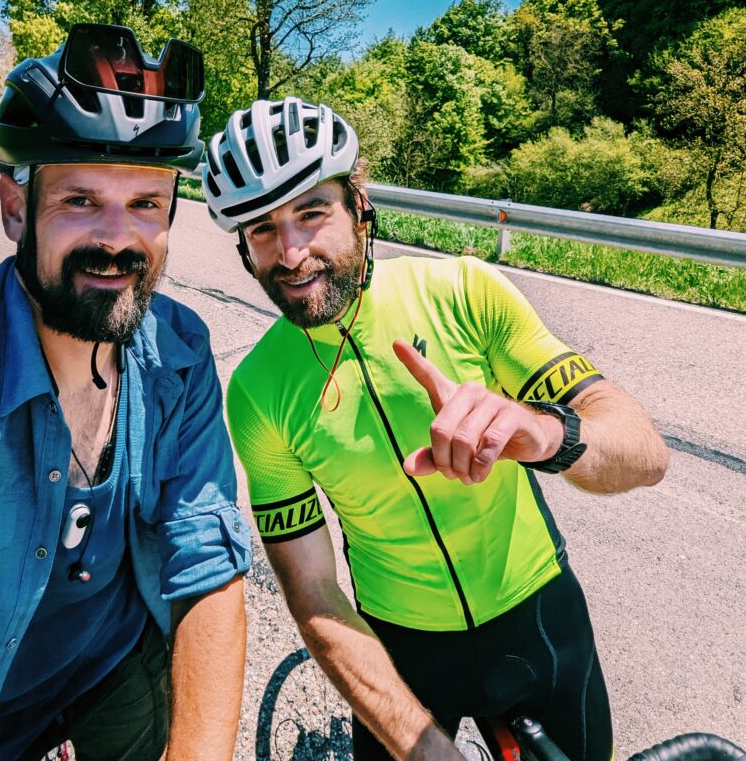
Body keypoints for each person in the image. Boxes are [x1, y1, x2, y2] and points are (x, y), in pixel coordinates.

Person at [203, 97, 670, 761]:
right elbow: (311, 589)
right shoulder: (257, 392)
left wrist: (543, 433)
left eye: (312, 213)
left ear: (359, 206)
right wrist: (419, 745)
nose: (292, 253)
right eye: (261, 230)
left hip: (538, 620)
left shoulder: (466, 292)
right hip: (399, 651)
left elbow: (644, 452)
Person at [0, 24, 251, 761]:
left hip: (112, 662)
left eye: (146, 204)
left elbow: (207, 561)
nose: (117, 239)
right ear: (15, 207)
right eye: (79, 199)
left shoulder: (181, 352)